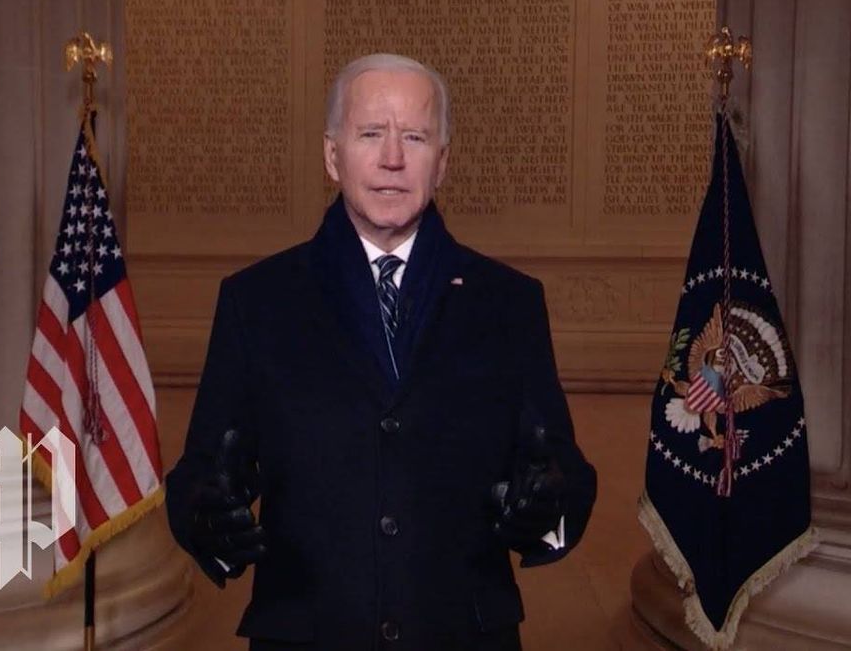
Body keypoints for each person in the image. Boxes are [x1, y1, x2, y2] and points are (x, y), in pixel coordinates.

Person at [166, 53, 597, 651]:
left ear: (441, 162)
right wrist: (204, 515)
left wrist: (551, 505)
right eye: (371, 133)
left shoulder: (508, 303)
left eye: (414, 137)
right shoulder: (257, 302)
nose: (392, 158)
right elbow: (201, 472)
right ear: (332, 154)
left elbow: (564, 470)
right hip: (309, 633)